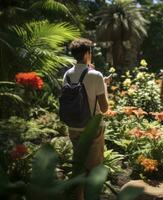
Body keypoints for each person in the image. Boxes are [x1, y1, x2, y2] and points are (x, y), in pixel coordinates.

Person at [63, 38, 109, 200]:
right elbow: (104, 108)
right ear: (87, 54)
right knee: (94, 168)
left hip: (73, 127)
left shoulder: (67, 74)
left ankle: (78, 197)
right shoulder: (96, 75)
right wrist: (104, 85)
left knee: (79, 164)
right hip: (93, 128)